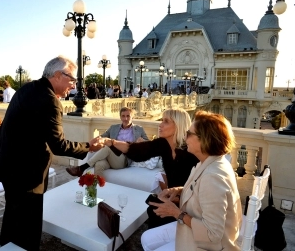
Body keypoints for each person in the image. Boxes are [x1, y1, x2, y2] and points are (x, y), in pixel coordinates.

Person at [0, 55, 104, 250]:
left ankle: (6, 246)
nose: (73, 85)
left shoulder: (27, 88)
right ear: (57, 75)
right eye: (72, 79)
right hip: (26, 176)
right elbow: (59, 146)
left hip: (9, 167)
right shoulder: (49, 101)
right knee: (28, 230)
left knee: (12, 219)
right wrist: (89, 146)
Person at [142, 110, 242, 251]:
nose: (184, 137)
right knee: (146, 238)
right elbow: (203, 191)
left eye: (189, 134)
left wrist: (176, 213)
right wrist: (180, 190)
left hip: (207, 245)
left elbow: (212, 234)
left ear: (204, 139)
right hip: (194, 232)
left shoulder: (213, 177)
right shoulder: (207, 162)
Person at [101, 108, 199, 229]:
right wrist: (110, 142)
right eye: (161, 120)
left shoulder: (191, 150)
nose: (160, 124)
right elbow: (137, 151)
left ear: (178, 125)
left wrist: (178, 199)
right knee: (152, 209)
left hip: (189, 205)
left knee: (156, 213)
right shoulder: (163, 144)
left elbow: (200, 185)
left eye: (166, 121)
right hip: (172, 198)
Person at [66, 107, 148, 177]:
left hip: (124, 159)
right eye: (123, 116)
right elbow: (102, 136)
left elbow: (149, 144)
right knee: (99, 165)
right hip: (110, 158)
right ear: (120, 117)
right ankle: (99, 190)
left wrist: (142, 141)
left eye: (128, 116)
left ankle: (82, 168)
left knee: (107, 146)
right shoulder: (114, 128)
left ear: (132, 117)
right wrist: (93, 143)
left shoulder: (139, 129)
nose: (125, 119)